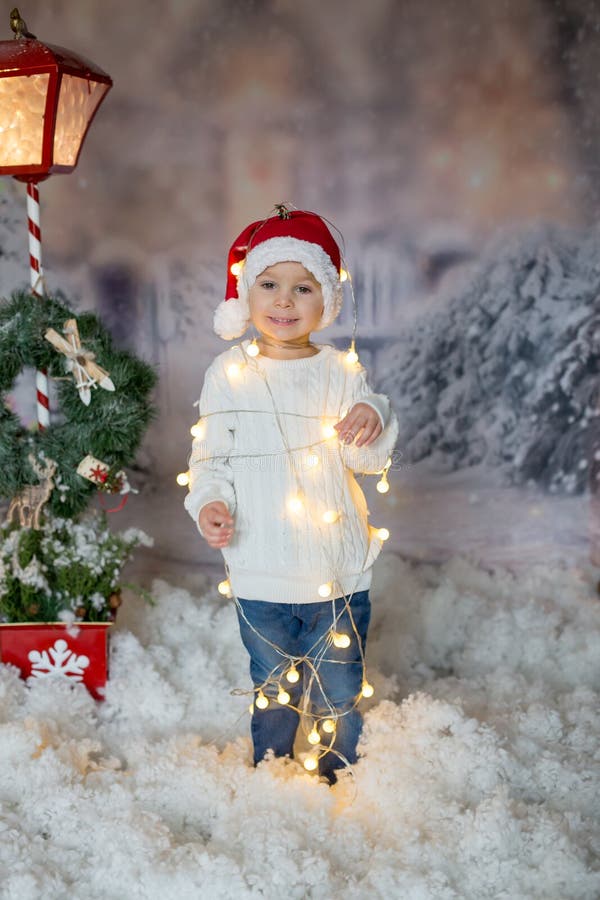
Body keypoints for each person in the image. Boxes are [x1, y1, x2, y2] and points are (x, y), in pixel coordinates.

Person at [184, 205, 398, 783]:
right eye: (270, 285)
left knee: (341, 684)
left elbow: (367, 457)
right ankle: (272, 771)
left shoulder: (339, 371)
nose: (284, 301)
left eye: (303, 288)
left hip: (337, 567)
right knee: (273, 686)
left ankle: (340, 773)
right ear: (245, 296)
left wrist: (372, 414)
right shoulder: (228, 372)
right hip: (260, 566)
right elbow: (210, 460)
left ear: (325, 301)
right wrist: (210, 502)